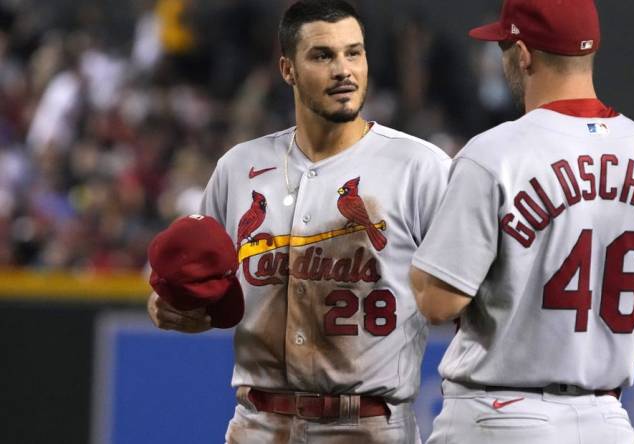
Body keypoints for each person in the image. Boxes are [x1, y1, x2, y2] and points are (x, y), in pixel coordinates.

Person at [146, 1, 450, 443]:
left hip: (366, 425)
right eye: (323, 55)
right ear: (287, 69)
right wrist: (173, 307)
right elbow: (197, 286)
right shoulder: (239, 167)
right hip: (257, 422)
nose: (344, 69)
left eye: (354, 53)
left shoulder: (420, 167)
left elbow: (471, 296)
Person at [410, 0, 634, 443]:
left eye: (505, 47)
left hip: (500, 416)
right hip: (608, 420)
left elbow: (438, 303)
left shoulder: (496, 153)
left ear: (523, 54)